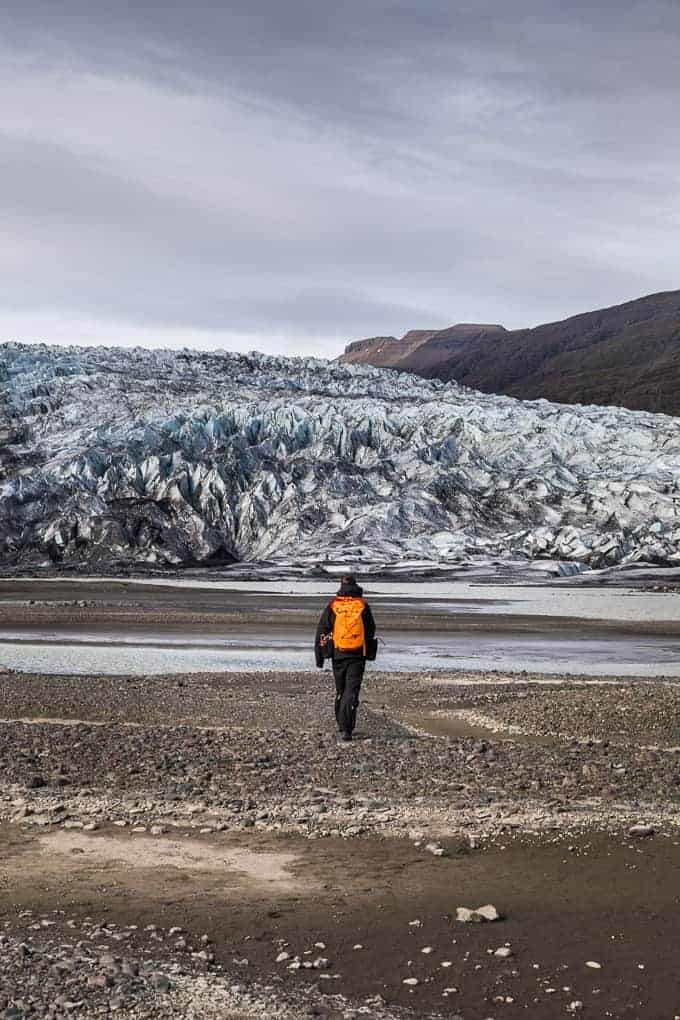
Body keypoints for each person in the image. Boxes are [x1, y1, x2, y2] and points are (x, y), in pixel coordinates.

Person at [315, 574, 376, 742]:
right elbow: (371, 630)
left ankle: (342, 726)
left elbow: (322, 630)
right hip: (357, 655)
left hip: (338, 654)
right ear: (356, 586)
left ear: (341, 587)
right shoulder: (363, 605)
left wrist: (320, 657)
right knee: (352, 690)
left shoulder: (334, 605)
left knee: (341, 690)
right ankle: (347, 729)